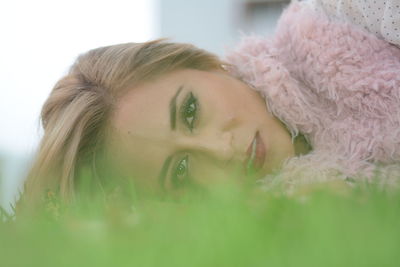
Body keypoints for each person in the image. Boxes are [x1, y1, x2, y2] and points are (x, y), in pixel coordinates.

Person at [21, 0, 400, 207]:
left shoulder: (345, 15)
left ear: (206, 63)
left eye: (190, 111)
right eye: (181, 171)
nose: (221, 151)